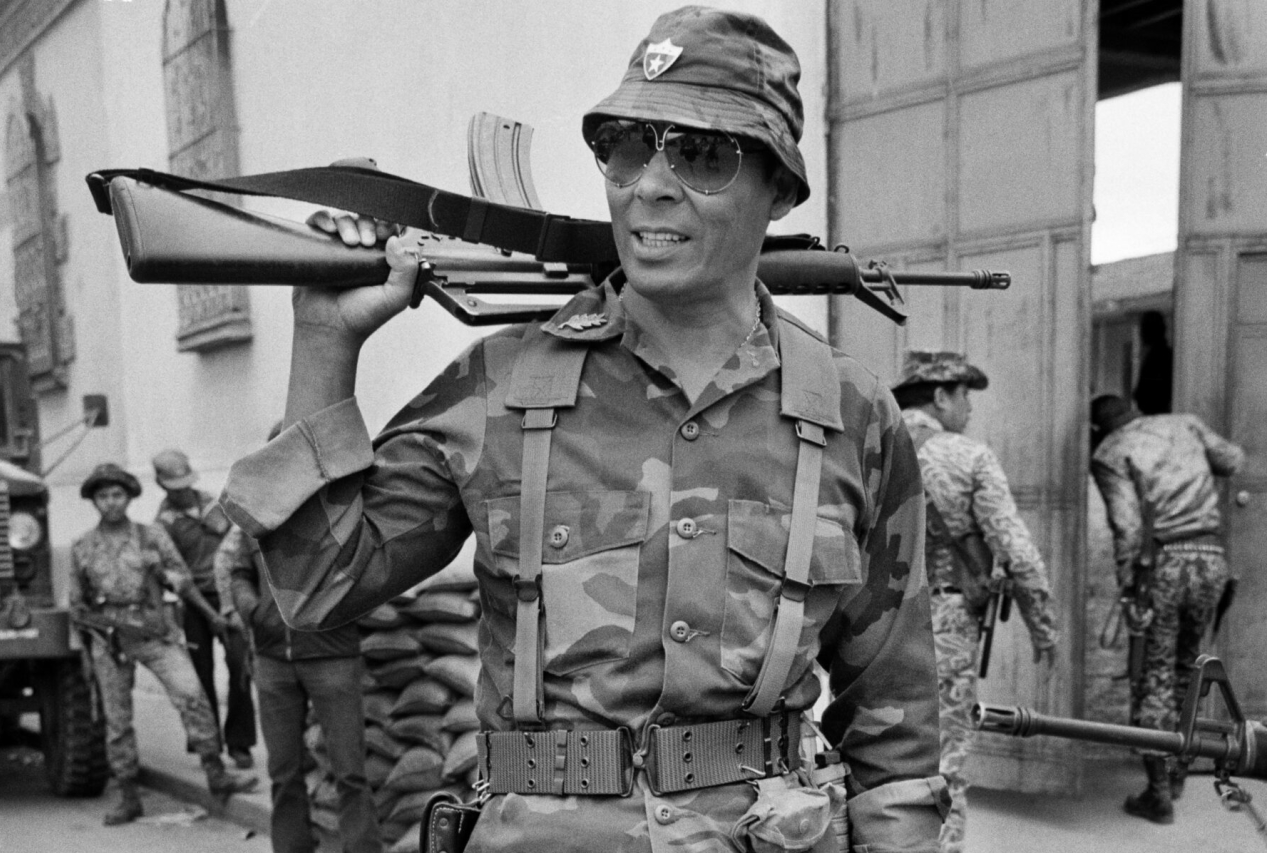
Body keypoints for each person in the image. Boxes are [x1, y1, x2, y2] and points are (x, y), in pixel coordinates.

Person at [222, 7, 946, 851]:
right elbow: (316, 588)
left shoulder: (852, 414)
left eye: (702, 155)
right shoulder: (497, 387)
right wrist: (323, 341)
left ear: (780, 187)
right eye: (627, 147)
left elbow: (895, 727)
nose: (650, 184)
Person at [891, 351, 1059, 853]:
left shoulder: (865, 445)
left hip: (867, 628)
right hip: (943, 622)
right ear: (941, 396)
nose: (970, 409)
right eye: (965, 396)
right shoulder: (968, 456)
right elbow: (1017, 552)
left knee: (875, 752)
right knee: (945, 760)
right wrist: (1045, 631)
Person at [214, 425, 382, 853]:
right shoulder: (260, 518)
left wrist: (339, 613)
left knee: (350, 771)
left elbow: (372, 573)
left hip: (332, 658)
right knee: (283, 772)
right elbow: (237, 572)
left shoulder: (345, 512)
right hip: (273, 662)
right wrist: (255, 611)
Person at [70, 462, 257, 826]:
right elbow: (77, 605)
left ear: (128, 498)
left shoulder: (151, 535)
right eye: (103, 496)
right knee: (117, 720)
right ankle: (127, 794)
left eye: (117, 495)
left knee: (192, 696)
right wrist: (88, 649)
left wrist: (169, 578)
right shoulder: (82, 547)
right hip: (109, 640)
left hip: (154, 632)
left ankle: (215, 773)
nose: (111, 502)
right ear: (94, 501)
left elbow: (184, 581)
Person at [1090, 394, 1243, 824]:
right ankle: (1178, 772)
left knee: (1152, 673)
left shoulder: (1109, 452)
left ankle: (1158, 792)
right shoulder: (1186, 424)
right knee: (1188, 670)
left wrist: (1129, 586)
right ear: (1136, 407)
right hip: (1211, 559)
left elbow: (1126, 524)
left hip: (1162, 566)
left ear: (1099, 429)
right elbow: (1232, 460)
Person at [152, 448, 257, 769]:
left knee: (240, 666)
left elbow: (236, 546)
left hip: (228, 598)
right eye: (176, 486)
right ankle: (209, 745)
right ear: (162, 485)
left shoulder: (214, 501)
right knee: (201, 676)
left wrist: (228, 605)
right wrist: (211, 615)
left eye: (186, 483)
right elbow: (180, 578)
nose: (183, 491)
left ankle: (240, 743)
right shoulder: (163, 524)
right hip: (195, 604)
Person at [1132, 311, 1173, 416]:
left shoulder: (1160, 356)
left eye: (1143, 329)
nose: (1141, 334)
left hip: (1159, 414)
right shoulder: (1153, 354)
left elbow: (1153, 391)